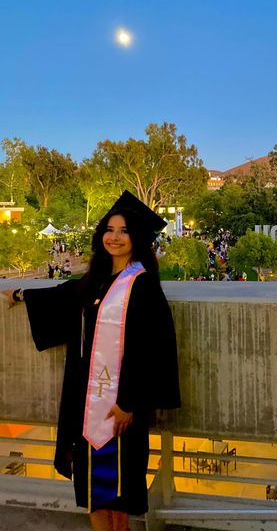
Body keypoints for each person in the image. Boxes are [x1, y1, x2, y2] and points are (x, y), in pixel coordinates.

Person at [3, 191, 180, 531]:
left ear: (136, 238)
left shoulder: (142, 285)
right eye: (109, 229)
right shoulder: (95, 280)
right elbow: (63, 296)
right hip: (85, 406)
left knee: (121, 500)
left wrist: (129, 403)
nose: (114, 237)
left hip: (120, 411)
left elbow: (151, 348)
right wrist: (20, 294)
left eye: (124, 230)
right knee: (91, 492)